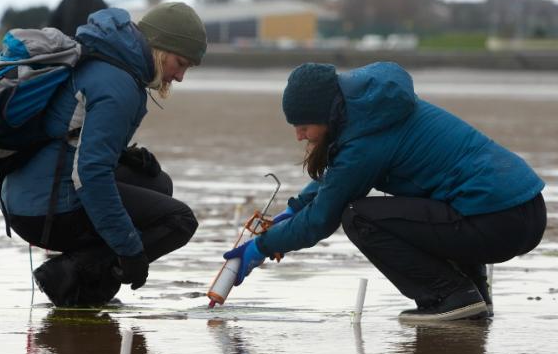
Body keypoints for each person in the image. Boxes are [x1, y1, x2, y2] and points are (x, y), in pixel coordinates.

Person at [224, 62, 546, 321]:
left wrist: (261, 247)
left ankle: (449, 295)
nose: (299, 136)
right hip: (526, 210)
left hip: (497, 220)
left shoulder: (363, 143)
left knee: (358, 216)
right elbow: (338, 176)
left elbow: (321, 221)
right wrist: (295, 208)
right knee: (433, 205)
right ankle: (473, 297)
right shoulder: (370, 110)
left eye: (304, 126)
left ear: (327, 114)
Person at [2, 3, 207, 306]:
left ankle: (81, 270)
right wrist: (130, 251)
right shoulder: (119, 85)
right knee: (179, 221)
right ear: (159, 48)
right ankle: (72, 280)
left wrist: (123, 156)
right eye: (180, 63)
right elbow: (90, 175)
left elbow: (71, 137)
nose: (179, 77)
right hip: (42, 210)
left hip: (27, 195)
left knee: (157, 184)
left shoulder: (111, 61)